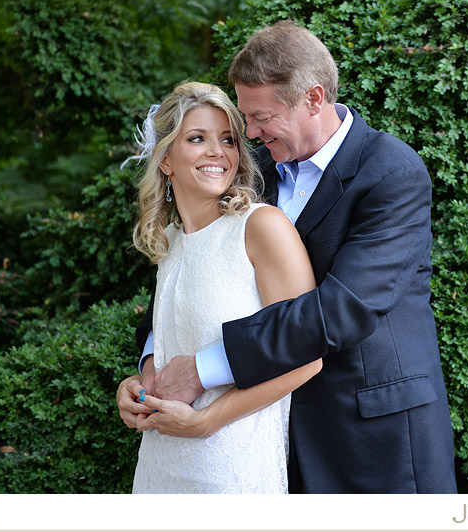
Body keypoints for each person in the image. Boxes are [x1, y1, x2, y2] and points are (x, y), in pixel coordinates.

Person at [122, 20, 458, 493]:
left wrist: (202, 368)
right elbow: (197, 268)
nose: (250, 134)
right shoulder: (255, 170)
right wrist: (151, 364)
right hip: (271, 430)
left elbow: (342, 310)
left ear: (314, 99)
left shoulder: (391, 173)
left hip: (372, 431)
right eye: (246, 119)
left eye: (260, 117)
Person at [116, 81, 322, 493]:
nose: (218, 152)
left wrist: (209, 420)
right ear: (166, 160)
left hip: (230, 466)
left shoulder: (261, 227)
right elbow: (172, 339)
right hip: (159, 460)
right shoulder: (171, 239)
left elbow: (307, 357)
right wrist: (138, 385)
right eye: (197, 139)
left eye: (228, 139)